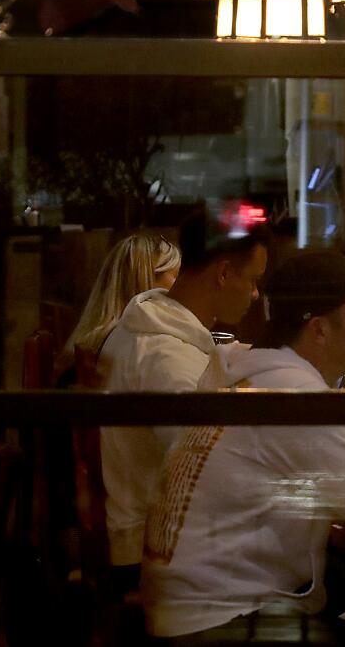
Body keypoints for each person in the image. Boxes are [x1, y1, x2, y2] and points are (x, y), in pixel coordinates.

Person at [141, 251, 345, 642]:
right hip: (222, 622)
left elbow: (342, 483)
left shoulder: (253, 376)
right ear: (319, 331)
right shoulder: (290, 395)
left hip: (193, 608)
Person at [99, 210, 269, 574]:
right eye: (254, 280)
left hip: (160, 538)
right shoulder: (167, 356)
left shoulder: (150, 325)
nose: (256, 294)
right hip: (158, 557)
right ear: (223, 273)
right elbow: (205, 475)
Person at [56, 233, 181, 378]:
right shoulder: (137, 349)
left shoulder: (96, 341)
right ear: (145, 280)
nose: (183, 285)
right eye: (177, 276)